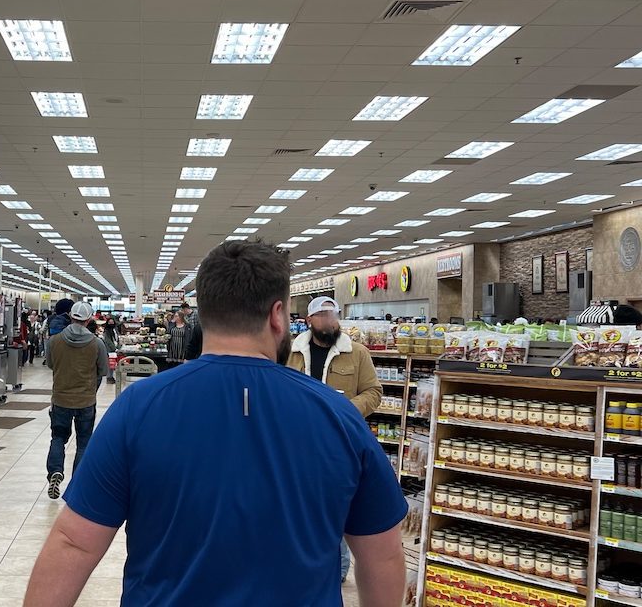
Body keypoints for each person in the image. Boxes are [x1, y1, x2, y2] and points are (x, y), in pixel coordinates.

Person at [25, 239, 407, 606]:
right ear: (277, 315)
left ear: (203, 314)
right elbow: (383, 557)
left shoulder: (137, 408)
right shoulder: (338, 416)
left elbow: (74, 542)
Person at [287, 296, 384, 583]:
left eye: (334, 315)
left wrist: (344, 411)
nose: (330, 321)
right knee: (296, 501)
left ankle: (337, 572)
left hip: (339, 442)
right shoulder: (290, 352)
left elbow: (373, 392)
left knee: (335, 504)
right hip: (296, 441)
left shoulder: (357, 353)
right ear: (309, 320)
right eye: (324, 315)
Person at [44, 301, 107, 500]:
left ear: (70, 317)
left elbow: (51, 365)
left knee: (58, 437)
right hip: (86, 401)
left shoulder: (54, 341)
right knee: (83, 442)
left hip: (61, 398)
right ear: (89, 320)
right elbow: (103, 370)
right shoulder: (97, 343)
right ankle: (77, 483)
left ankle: (55, 471)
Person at [102, 318, 120, 383]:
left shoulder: (115, 330)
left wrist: (118, 346)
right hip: (109, 350)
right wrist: (114, 348)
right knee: (110, 364)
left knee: (112, 363)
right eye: (110, 322)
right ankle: (109, 377)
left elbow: (117, 338)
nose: (111, 324)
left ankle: (111, 376)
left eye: (112, 322)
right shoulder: (106, 331)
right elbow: (108, 341)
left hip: (114, 349)